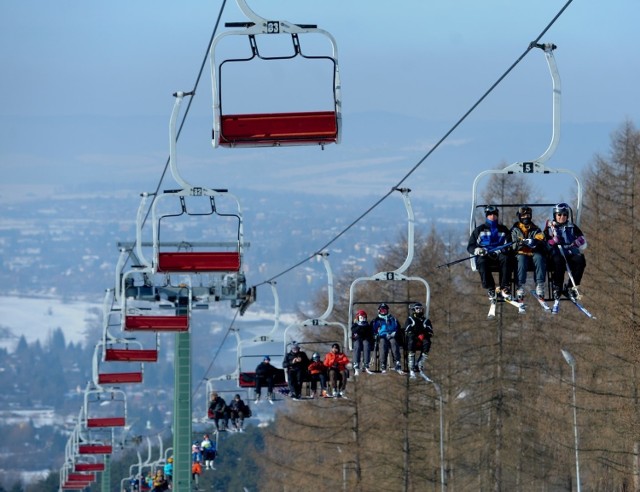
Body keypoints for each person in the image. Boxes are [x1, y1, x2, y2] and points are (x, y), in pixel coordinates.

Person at [544, 202, 587, 305]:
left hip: (570, 251)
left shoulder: (571, 226)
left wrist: (578, 242)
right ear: (555, 215)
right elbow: (544, 243)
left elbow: (582, 240)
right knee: (559, 261)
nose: (562, 217)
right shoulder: (551, 227)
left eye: (564, 215)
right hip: (557, 252)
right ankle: (557, 286)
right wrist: (552, 242)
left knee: (580, 260)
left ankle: (571, 287)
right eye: (559, 215)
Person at [467, 205, 513, 301]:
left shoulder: (503, 230)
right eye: (490, 214)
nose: (492, 216)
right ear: (487, 216)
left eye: (494, 214)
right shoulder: (479, 230)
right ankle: (491, 288)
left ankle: (504, 287)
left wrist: (499, 250)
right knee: (481, 262)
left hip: (499, 254)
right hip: (485, 254)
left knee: (506, 259)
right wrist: (478, 250)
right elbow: (470, 246)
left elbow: (508, 245)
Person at [510, 206, 547, 300]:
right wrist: (520, 243)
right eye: (523, 215)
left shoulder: (535, 229)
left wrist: (536, 242)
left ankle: (540, 285)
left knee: (539, 257)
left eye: (528, 215)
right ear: (519, 216)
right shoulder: (515, 230)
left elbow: (541, 238)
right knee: (521, 260)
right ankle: (520, 286)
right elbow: (512, 244)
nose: (526, 217)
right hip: (520, 252)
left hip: (532, 253)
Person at [404, 302, 434, 378]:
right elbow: (408, 330)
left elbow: (430, 331)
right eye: (417, 309)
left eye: (420, 309)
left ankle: (420, 363)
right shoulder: (410, 319)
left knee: (427, 342)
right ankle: (411, 365)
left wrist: (424, 334)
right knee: (411, 341)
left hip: (422, 338)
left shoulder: (425, 321)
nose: (419, 310)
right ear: (414, 309)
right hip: (413, 338)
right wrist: (417, 335)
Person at [371, 303, 403, 374]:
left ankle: (397, 362)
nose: (383, 312)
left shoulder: (392, 319)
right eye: (382, 310)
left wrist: (395, 333)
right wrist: (376, 334)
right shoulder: (377, 320)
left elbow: (397, 328)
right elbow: (373, 330)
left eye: (385, 310)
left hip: (391, 335)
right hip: (382, 336)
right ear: (379, 311)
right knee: (382, 344)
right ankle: (383, 363)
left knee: (394, 343)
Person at [351, 309, 374, 375]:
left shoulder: (367, 326)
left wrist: (364, 327)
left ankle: (366, 363)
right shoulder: (355, 325)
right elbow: (354, 330)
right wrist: (359, 325)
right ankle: (356, 364)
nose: (363, 319)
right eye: (361, 317)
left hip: (365, 339)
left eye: (364, 317)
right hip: (357, 339)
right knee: (357, 346)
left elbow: (369, 334)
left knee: (366, 345)